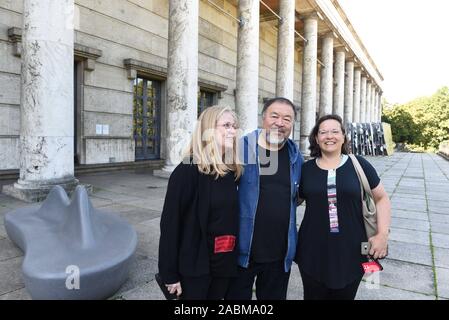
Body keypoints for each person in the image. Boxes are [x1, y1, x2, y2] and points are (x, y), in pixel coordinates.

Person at [295, 114, 391, 300]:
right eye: (323, 132)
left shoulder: (359, 164)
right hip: (312, 250)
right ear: (316, 138)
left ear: (344, 136)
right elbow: (293, 200)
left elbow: (382, 198)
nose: (329, 136)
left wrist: (382, 235)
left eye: (334, 131)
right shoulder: (305, 169)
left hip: (352, 250)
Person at [158, 106, 243, 300]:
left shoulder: (231, 170)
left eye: (235, 126)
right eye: (227, 125)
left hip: (224, 264)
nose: (233, 131)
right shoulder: (186, 171)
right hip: (196, 267)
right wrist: (169, 274)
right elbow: (171, 225)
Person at [226, 97, 304, 300]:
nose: (280, 122)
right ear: (263, 119)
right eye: (275, 116)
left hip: (280, 255)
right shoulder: (240, 148)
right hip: (242, 252)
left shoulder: (296, 157)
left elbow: (300, 196)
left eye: (287, 119)